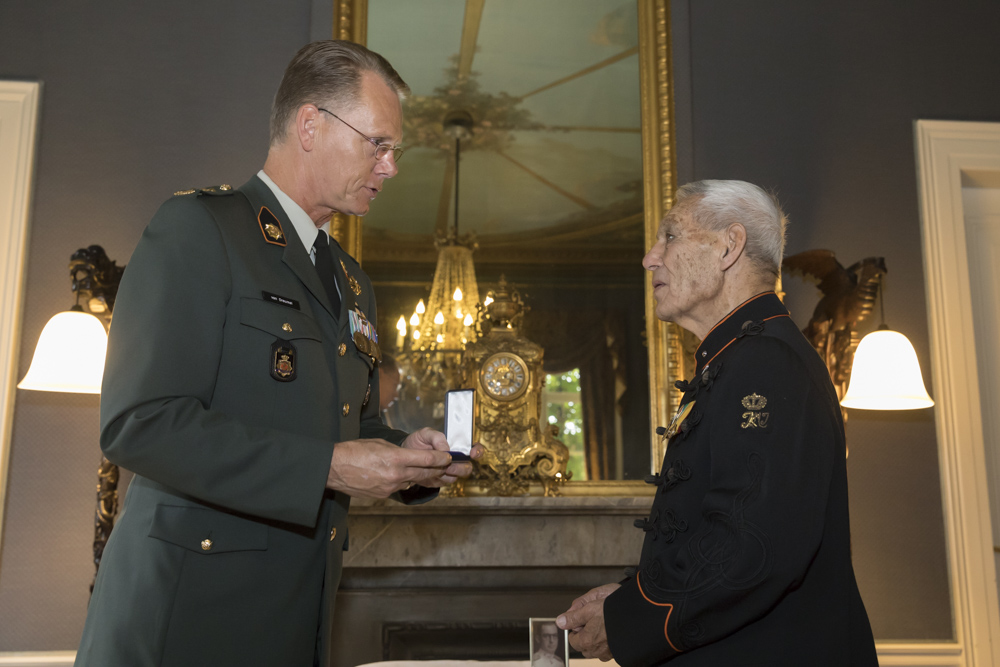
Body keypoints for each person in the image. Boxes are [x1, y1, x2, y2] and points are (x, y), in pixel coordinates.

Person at [76, 40, 480, 667]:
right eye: (378, 144)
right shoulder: (203, 229)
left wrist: (407, 455)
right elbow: (140, 423)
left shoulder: (351, 281)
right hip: (187, 620)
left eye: (395, 150)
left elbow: (347, 424)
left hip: (299, 617)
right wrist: (330, 467)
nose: (390, 167)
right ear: (311, 126)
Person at [556, 180, 878, 666]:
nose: (649, 257)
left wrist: (626, 619)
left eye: (669, 236)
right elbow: (707, 529)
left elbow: (750, 548)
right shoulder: (742, 356)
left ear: (730, 246)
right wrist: (629, 598)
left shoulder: (767, 362)